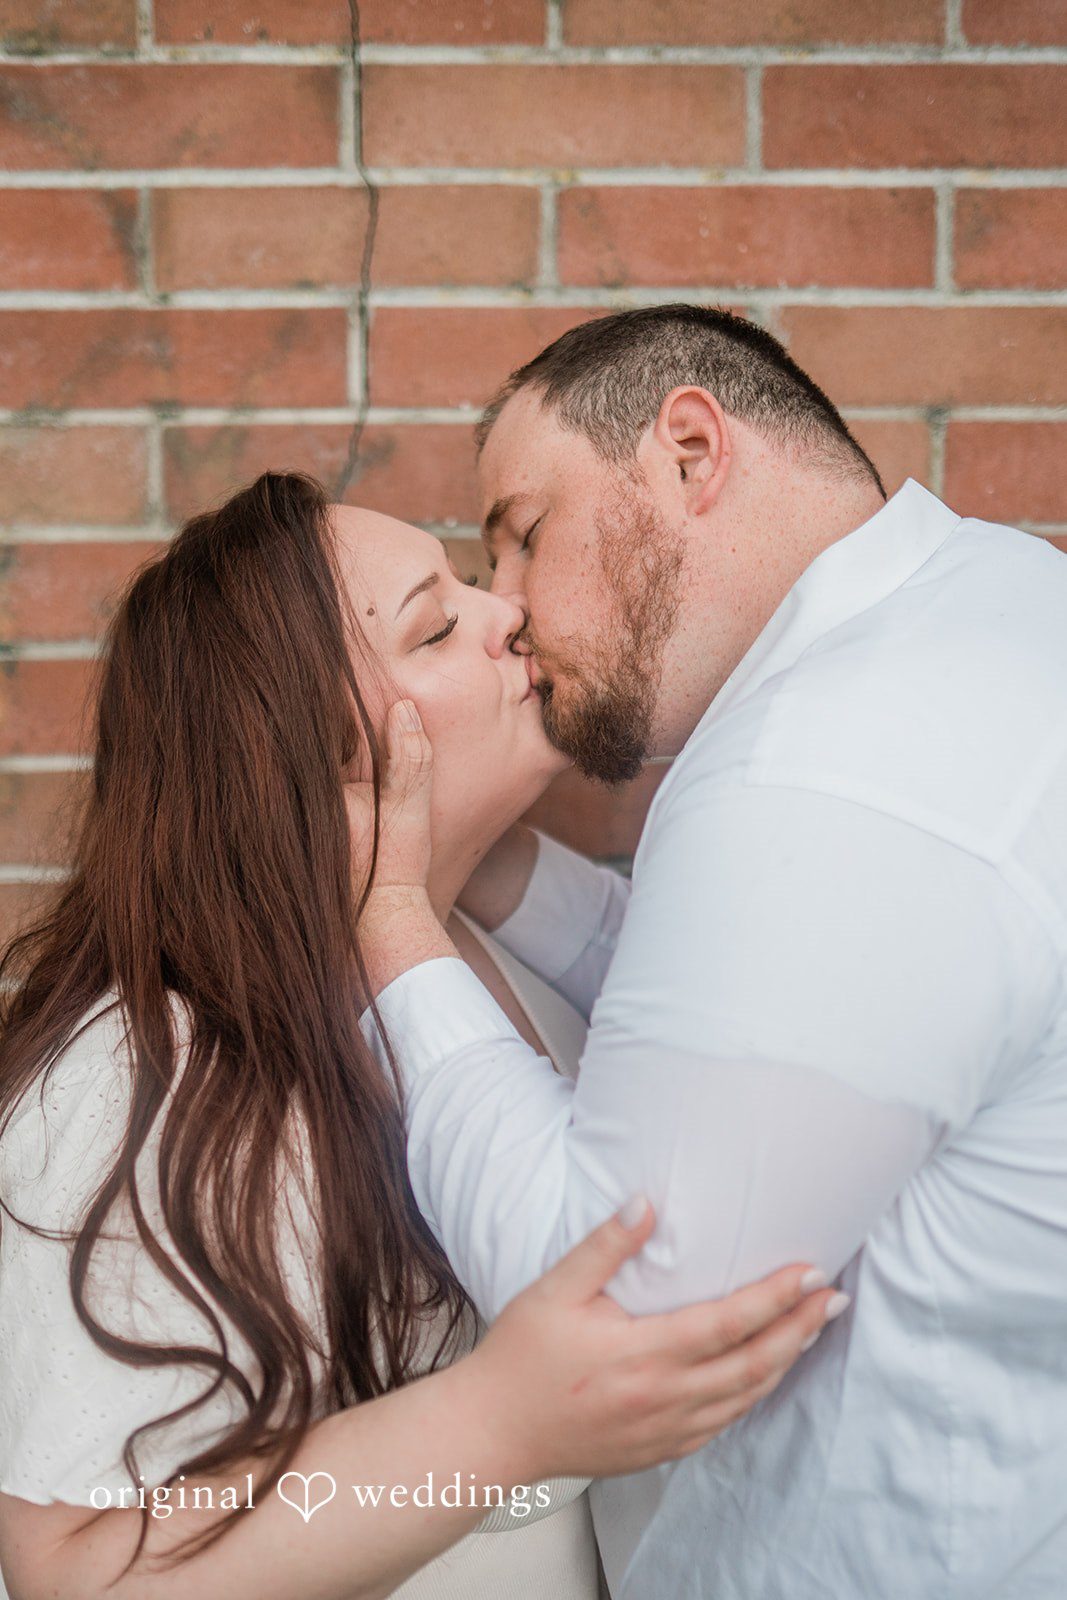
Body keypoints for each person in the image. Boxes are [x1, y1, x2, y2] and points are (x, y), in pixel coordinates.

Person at [0, 472, 839, 1600]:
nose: (507, 615)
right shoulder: (139, 1080)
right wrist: (496, 1421)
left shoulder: (478, 961)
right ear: (309, 757)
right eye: (437, 624)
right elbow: (79, 1565)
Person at [351, 305, 1067, 1598]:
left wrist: (390, 916)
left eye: (520, 532)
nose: (505, 611)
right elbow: (734, 1017)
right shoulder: (992, 603)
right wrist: (490, 863)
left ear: (688, 451)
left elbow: (604, 1307)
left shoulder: (820, 769)